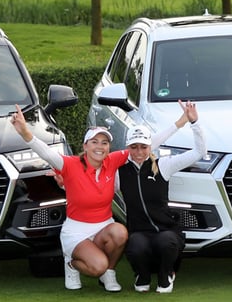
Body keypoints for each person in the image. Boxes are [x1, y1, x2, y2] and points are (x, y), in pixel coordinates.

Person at [11, 108, 179, 292]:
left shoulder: (113, 161)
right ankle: (72, 265)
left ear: (109, 147)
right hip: (76, 231)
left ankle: (109, 272)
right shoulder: (70, 164)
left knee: (121, 232)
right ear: (85, 146)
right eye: (95, 142)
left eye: (105, 143)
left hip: (104, 227)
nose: (100, 146)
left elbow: (147, 144)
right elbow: (46, 153)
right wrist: (25, 133)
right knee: (97, 266)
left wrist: (181, 122)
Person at [119, 102, 203, 293]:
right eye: (134, 147)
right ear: (127, 148)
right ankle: (142, 275)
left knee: (166, 242)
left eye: (143, 147)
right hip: (139, 231)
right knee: (135, 245)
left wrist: (193, 122)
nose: (139, 152)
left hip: (166, 230)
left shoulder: (163, 165)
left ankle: (166, 275)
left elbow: (199, 152)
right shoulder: (120, 172)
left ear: (150, 147)